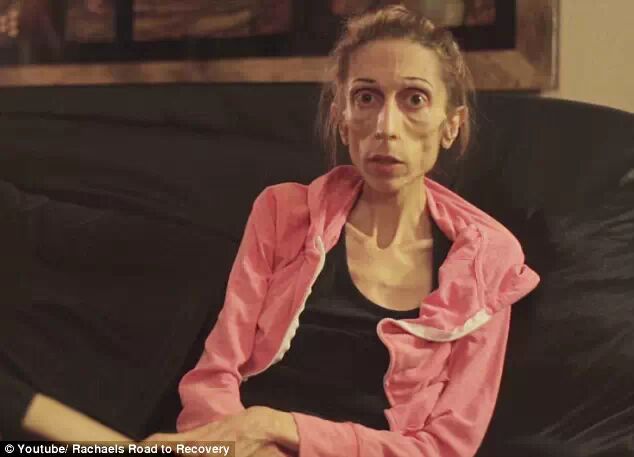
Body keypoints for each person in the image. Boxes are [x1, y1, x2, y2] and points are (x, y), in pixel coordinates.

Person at [148, 5, 541, 457]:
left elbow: (444, 447)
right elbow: (214, 376)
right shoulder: (281, 212)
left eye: (414, 99)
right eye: (366, 98)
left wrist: (276, 427)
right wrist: (233, 444)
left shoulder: (487, 262)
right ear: (342, 118)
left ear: (451, 125)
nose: (386, 128)